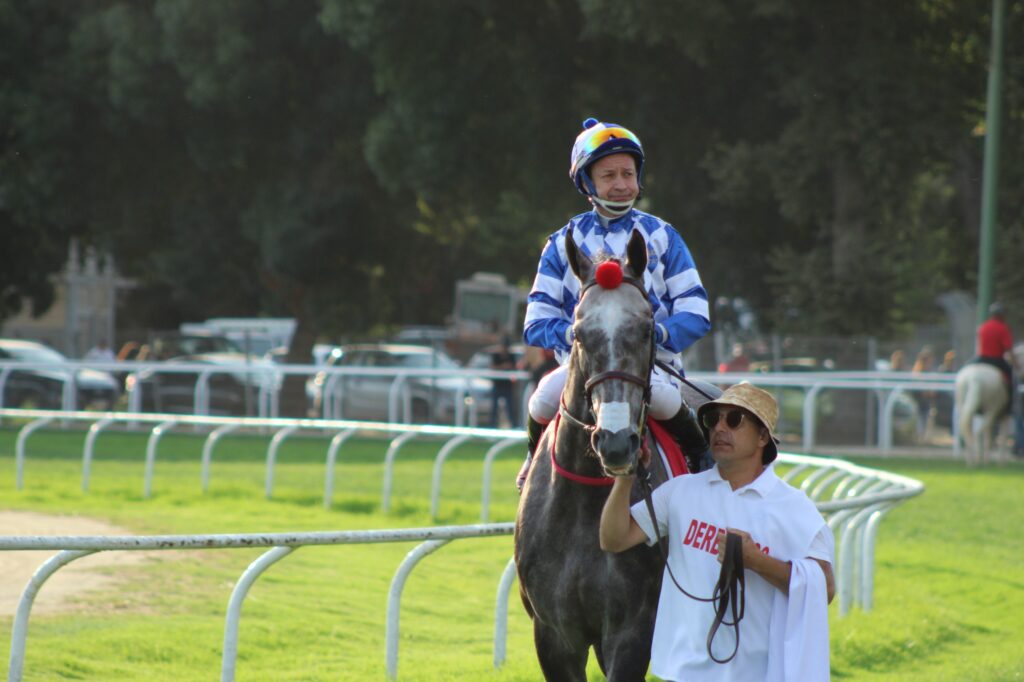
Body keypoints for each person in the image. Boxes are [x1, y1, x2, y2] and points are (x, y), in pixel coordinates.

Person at [518, 118, 711, 489]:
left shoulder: (663, 236)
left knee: (665, 400)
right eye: (609, 176)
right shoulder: (560, 242)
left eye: (628, 174)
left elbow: (696, 312)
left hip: (650, 363)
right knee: (541, 400)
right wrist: (579, 334)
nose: (621, 184)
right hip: (582, 367)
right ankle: (532, 467)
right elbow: (536, 322)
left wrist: (655, 333)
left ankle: (700, 464)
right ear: (587, 182)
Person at [599, 383, 835, 681]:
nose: (720, 428)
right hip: (683, 671)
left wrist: (757, 561)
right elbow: (614, 539)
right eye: (713, 420)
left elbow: (824, 588)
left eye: (734, 420)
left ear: (763, 437)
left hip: (759, 673)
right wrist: (625, 477)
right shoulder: (679, 490)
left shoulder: (795, 507)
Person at [488, 336, 518, 428]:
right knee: (494, 408)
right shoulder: (496, 355)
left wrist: (509, 367)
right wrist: (503, 366)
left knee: (510, 408)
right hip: (497, 385)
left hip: (507, 386)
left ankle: (513, 426)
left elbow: (514, 368)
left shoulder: (511, 356)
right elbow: (493, 367)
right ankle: (492, 426)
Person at [911, 345, 936, 442]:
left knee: (926, 416)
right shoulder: (918, 368)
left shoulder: (929, 369)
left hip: (926, 398)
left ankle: (923, 436)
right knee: (921, 416)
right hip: (919, 397)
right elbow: (917, 383)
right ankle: (920, 436)